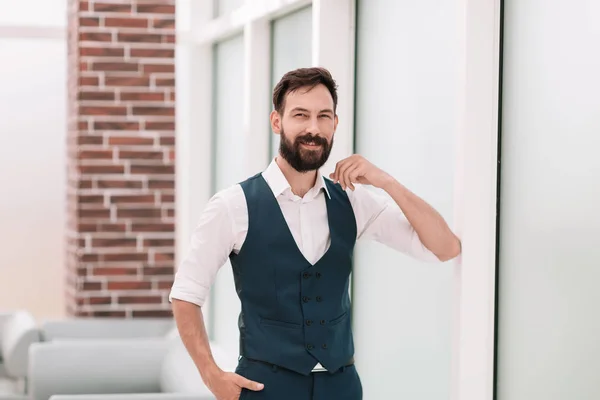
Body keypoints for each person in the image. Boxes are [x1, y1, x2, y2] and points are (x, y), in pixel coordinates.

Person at [169, 67, 461, 400]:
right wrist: (211, 376)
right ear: (277, 122)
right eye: (300, 115)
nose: (313, 128)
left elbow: (444, 247)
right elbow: (186, 294)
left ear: (335, 123)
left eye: (324, 116)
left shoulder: (353, 200)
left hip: (342, 387)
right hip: (265, 389)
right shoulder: (233, 206)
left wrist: (386, 182)